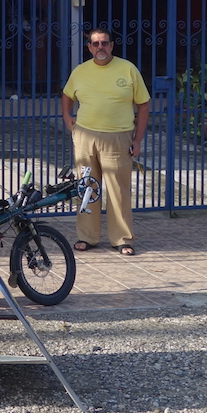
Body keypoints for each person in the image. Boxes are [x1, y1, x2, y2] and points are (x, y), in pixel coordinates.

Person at [60, 27, 150, 256]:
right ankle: (87, 237)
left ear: (111, 46)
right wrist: (67, 117)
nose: (100, 47)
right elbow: (67, 95)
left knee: (118, 190)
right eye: (95, 43)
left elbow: (143, 104)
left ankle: (122, 239)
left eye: (104, 43)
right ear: (89, 47)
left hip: (118, 137)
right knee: (87, 187)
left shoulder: (128, 69)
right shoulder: (80, 71)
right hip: (85, 137)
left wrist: (137, 139)